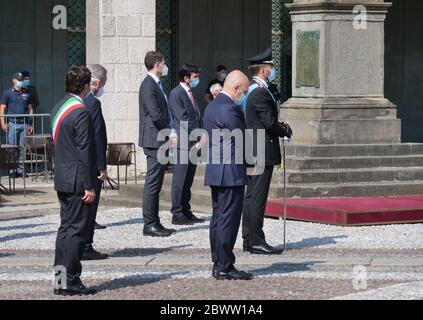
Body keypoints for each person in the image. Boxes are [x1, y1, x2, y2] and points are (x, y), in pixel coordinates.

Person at [51, 66, 97, 296]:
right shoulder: (80, 111)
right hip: (78, 180)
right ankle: (70, 280)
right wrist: (89, 185)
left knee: (65, 231)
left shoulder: (59, 107)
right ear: (87, 86)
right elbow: (84, 151)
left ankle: (60, 280)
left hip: (62, 177)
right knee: (76, 232)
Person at [204, 70, 253, 281]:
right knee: (228, 220)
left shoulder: (212, 105)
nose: (242, 95)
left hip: (216, 170)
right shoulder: (230, 108)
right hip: (230, 171)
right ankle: (224, 265)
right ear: (235, 88)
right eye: (242, 91)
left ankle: (218, 261)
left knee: (218, 218)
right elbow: (242, 139)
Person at [242, 48, 292, 255]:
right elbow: (269, 122)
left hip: (254, 149)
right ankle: (255, 240)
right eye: (270, 67)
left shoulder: (258, 89)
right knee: (257, 197)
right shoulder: (259, 92)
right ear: (263, 69)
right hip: (260, 150)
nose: (272, 70)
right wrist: (285, 129)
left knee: (252, 195)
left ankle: (249, 238)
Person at [139, 51, 176, 237]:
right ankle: (150, 224)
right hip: (155, 140)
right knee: (153, 183)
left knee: (157, 182)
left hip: (159, 139)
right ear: (157, 64)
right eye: (163, 63)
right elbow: (155, 114)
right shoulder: (148, 85)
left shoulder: (156, 84)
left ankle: (155, 221)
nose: (165, 66)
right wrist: (169, 133)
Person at [168, 64, 206, 225]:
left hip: (193, 143)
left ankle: (185, 209)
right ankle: (177, 213)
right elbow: (183, 118)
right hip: (184, 143)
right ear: (186, 78)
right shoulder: (176, 93)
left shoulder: (189, 93)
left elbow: (195, 116)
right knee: (180, 179)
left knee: (188, 179)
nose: (197, 79)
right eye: (195, 76)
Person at [81, 64, 109, 261]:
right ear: (97, 83)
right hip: (91, 164)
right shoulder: (92, 104)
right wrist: (102, 166)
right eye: (104, 84)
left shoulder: (74, 101)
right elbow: (98, 137)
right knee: (89, 209)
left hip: (76, 164)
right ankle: (86, 245)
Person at [0, 72, 34, 177]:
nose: (21, 82)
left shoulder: (27, 93)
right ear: (14, 80)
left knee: (22, 148)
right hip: (12, 124)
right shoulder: (7, 93)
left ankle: (21, 170)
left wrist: (30, 124)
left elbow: (30, 109)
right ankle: (12, 171)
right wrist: (3, 123)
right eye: (19, 80)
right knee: (11, 148)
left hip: (23, 124)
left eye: (22, 80)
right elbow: (2, 108)